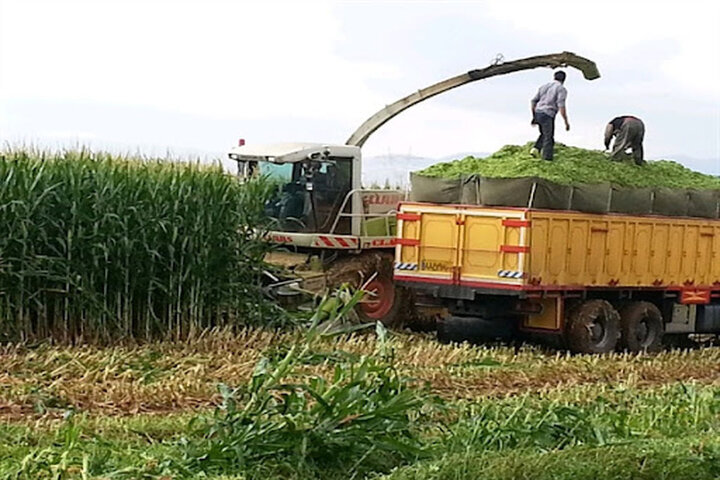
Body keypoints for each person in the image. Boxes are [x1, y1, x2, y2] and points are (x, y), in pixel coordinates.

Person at [530, 70, 570, 161]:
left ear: (554, 77)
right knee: (549, 137)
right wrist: (566, 122)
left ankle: (535, 149)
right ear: (564, 79)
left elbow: (533, 101)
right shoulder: (561, 89)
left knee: (544, 133)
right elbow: (561, 106)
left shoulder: (544, 86)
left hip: (538, 112)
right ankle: (547, 158)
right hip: (548, 114)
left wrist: (534, 116)